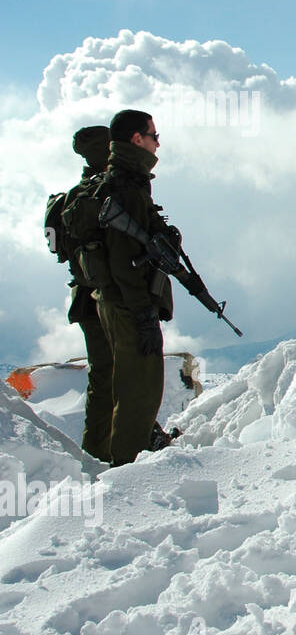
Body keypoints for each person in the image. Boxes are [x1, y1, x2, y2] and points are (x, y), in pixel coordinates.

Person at [95, 109, 176, 466]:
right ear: (136, 140)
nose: (158, 142)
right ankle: (126, 475)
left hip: (115, 301)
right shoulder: (126, 185)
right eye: (153, 135)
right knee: (139, 393)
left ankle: (121, 461)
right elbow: (123, 259)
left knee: (127, 387)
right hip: (128, 304)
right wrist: (143, 312)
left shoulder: (122, 179)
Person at [65, 125, 113, 462]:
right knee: (111, 377)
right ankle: (99, 454)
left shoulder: (76, 195)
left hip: (88, 298)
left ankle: (101, 449)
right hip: (103, 299)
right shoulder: (101, 194)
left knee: (108, 376)